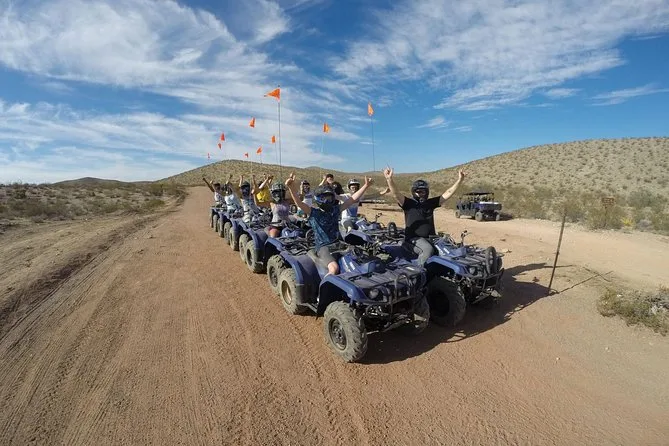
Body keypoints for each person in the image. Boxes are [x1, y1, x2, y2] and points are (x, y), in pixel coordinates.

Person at [286, 173, 372, 276]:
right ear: (318, 199)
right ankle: (326, 284)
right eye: (324, 198)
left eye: (330, 198)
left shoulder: (335, 210)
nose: (328, 201)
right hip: (324, 247)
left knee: (360, 259)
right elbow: (299, 203)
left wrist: (366, 186)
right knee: (334, 269)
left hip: (339, 243)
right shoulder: (314, 212)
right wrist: (291, 187)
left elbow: (352, 199)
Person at [383, 167, 466, 265]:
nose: (420, 194)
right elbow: (396, 194)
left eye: (422, 192)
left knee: (450, 249)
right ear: (413, 192)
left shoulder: (430, 203)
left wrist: (460, 180)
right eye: (417, 192)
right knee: (428, 249)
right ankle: (419, 270)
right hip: (413, 240)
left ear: (427, 192)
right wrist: (389, 179)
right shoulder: (408, 204)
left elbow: (448, 193)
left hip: (431, 238)